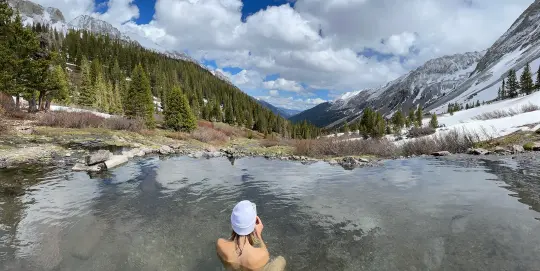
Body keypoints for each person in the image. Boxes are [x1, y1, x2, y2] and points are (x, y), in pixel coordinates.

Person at [216, 200, 286, 271]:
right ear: (254, 223)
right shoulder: (261, 256)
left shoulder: (220, 244)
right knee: (281, 259)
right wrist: (259, 235)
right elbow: (265, 254)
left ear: (232, 222)